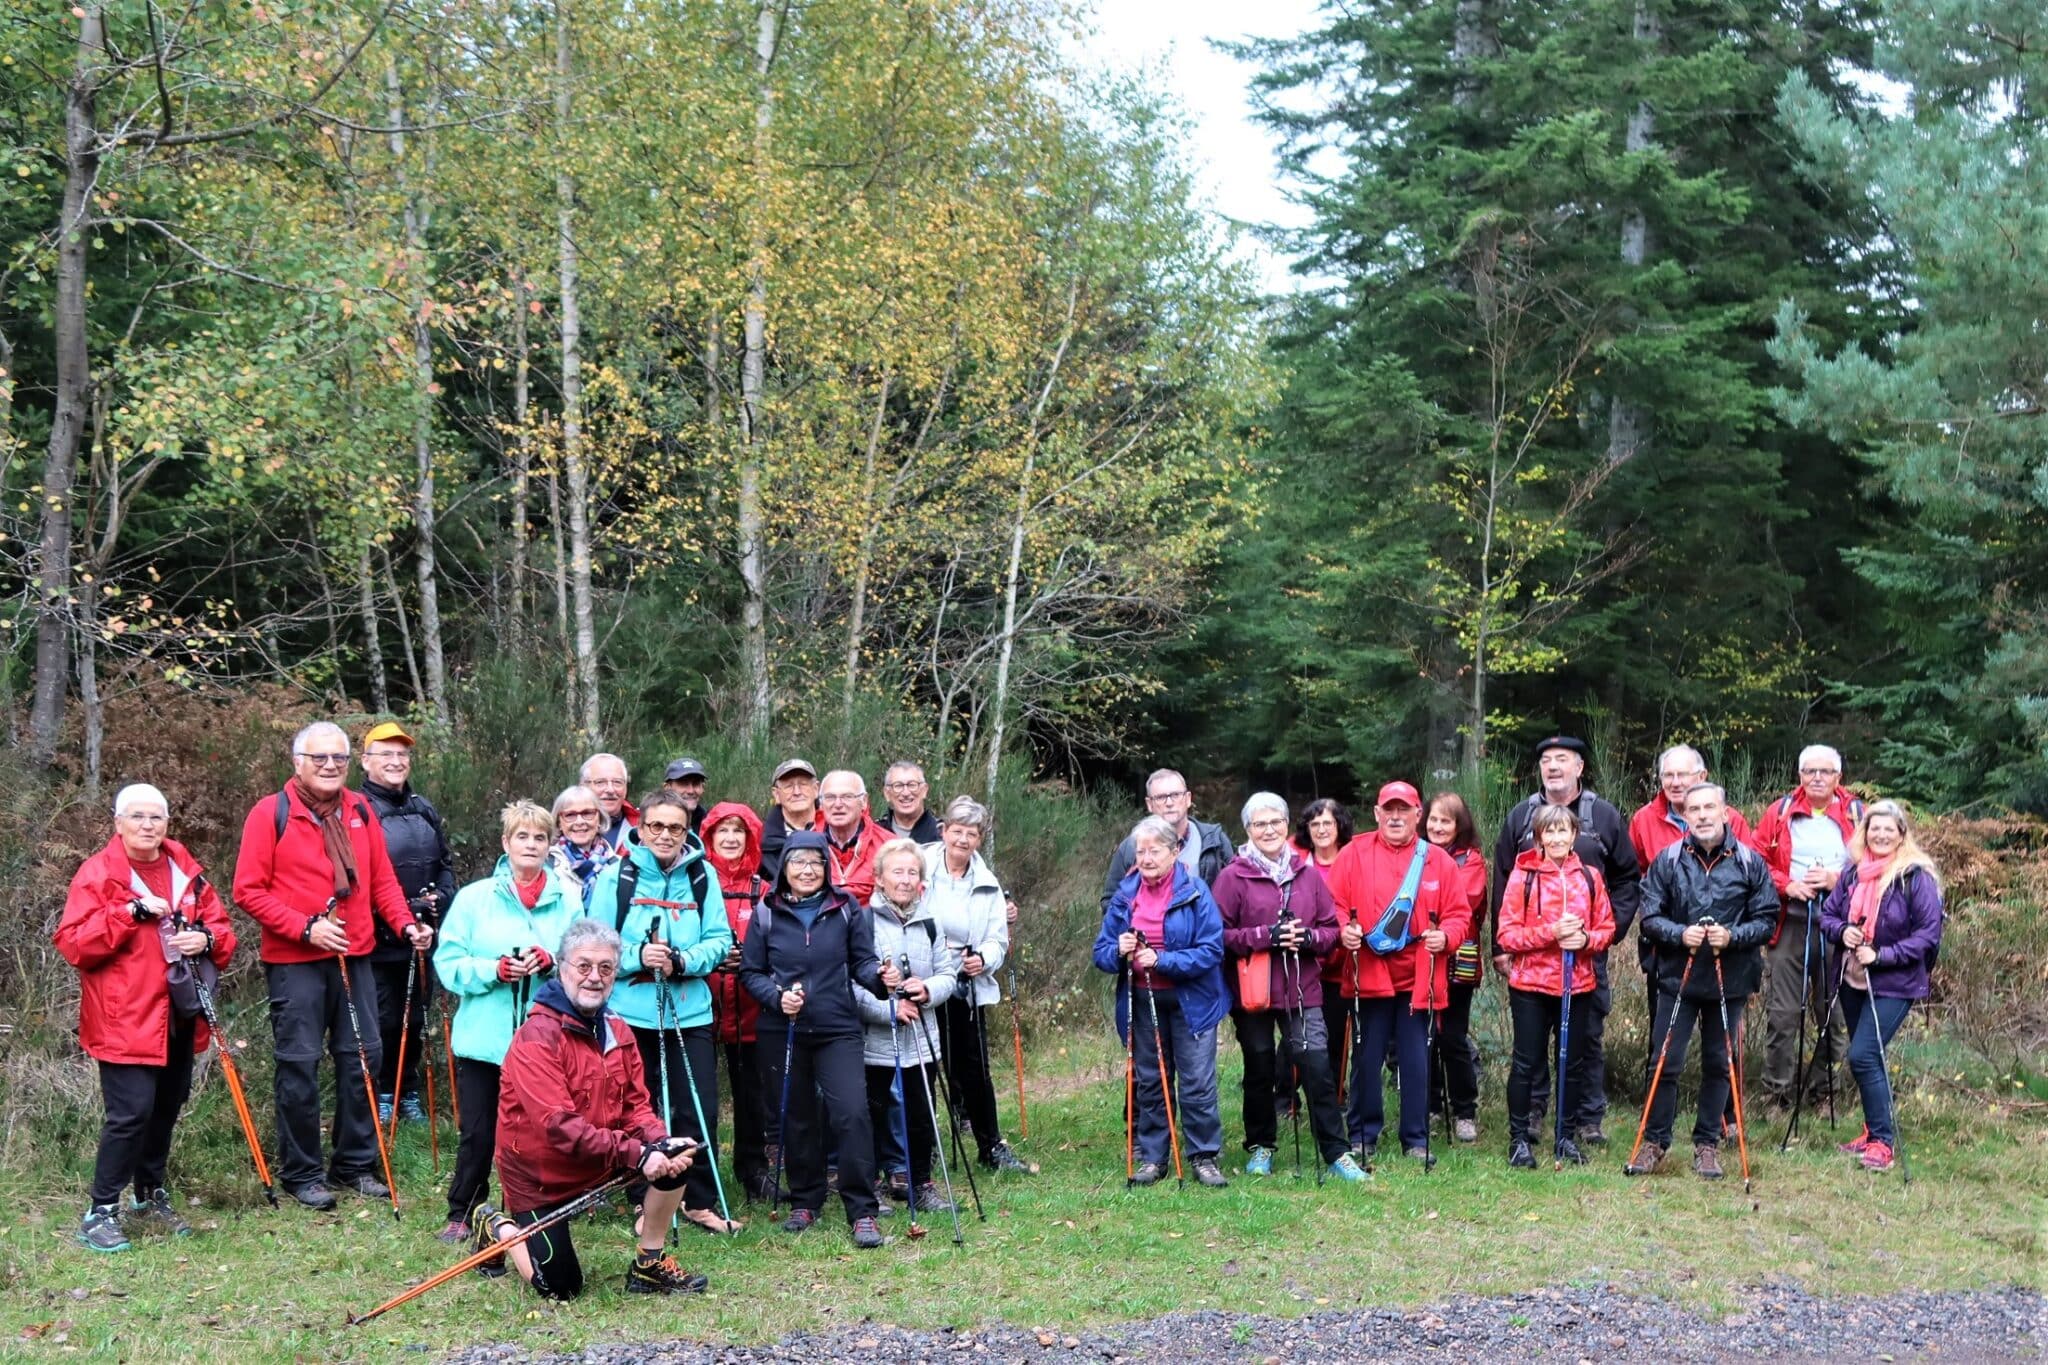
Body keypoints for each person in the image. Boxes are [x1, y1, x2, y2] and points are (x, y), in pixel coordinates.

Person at [232, 721, 430, 1210]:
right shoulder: (270, 813)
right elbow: (247, 891)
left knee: (363, 1057)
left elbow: (381, 880)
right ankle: (302, 1173)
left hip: (355, 954)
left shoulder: (360, 809)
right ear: (297, 761)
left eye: (338, 759)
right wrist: (304, 927)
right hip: (296, 960)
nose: (329, 766)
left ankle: (354, 1165)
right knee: (298, 1064)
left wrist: (406, 926)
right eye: (319, 758)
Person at [471, 918, 707, 1299]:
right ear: (562, 968)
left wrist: (659, 1142)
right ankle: (498, 1226)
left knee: (674, 1157)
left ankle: (649, 1265)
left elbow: (636, 1107)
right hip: (540, 1177)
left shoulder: (618, 1028)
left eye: (605, 968)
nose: (594, 977)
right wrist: (637, 1153)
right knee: (560, 1289)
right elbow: (558, 1127)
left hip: (599, 1159)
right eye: (583, 966)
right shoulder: (536, 1038)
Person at [56, 783, 237, 1252]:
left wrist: (207, 940)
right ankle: (101, 1210)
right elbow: (74, 944)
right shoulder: (98, 874)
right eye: (136, 817)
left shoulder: (187, 872)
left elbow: (222, 930)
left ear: (166, 824)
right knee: (130, 1114)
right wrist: (128, 913)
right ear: (117, 824)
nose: (146, 825)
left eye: (155, 817)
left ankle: (149, 1194)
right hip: (125, 1016)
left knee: (166, 1108)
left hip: (181, 1014)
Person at [430, 801, 578, 1242]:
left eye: (539, 838)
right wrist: (493, 970)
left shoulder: (568, 899)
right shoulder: (475, 897)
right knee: (478, 1131)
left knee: (542, 1129)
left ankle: (537, 1209)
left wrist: (552, 962)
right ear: (505, 843)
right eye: (522, 837)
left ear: (551, 845)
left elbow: (580, 962)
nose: (530, 845)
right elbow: (449, 962)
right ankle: (465, 1210)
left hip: (544, 1039)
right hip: (484, 1038)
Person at [738, 830, 891, 1247]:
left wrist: (882, 980)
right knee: (795, 1115)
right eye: (798, 862)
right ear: (783, 868)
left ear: (827, 867)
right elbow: (750, 972)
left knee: (851, 1113)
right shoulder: (766, 912)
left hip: (837, 1026)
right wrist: (777, 998)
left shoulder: (845, 910)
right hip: (781, 1028)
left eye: (815, 863)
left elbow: (862, 963)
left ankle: (861, 1210)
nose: (807, 870)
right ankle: (805, 1200)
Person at [594, 790, 736, 1235]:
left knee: (698, 1109)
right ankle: (645, 1201)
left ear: (687, 829)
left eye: (675, 827)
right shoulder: (617, 876)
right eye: (656, 826)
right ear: (641, 828)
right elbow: (597, 942)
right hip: (630, 1011)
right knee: (639, 1108)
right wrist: (640, 955)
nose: (665, 835)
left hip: (688, 1010)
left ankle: (699, 1199)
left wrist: (682, 961)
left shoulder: (703, 876)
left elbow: (719, 938)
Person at [1489, 735, 1640, 1148]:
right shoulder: (1521, 819)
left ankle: (1582, 1124)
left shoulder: (1603, 817)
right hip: (1532, 972)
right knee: (1529, 1054)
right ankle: (1530, 1122)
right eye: (1546, 760)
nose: (1553, 766)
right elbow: (1502, 886)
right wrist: (1505, 947)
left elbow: (1626, 882)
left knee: (1583, 1046)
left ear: (1579, 767)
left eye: (1562, 759)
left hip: (1584, 967)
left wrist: (1596, 939)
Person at [1625, 784, 1777, 1179]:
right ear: (1686, 816)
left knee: (1719, 1063)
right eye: (1695, 809)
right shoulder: (1669, 859)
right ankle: (1655, 1142)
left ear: (1726, 812)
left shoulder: (1749, 862)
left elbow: (1767, 919)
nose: (1703, 815)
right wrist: (1679, 934)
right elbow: (1650, 916)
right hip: (1678, 977)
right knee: (1665, 1061)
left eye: (1710, 807)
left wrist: (1733, 936)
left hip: (1731, 979)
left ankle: (1707, 1145)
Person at [1213, 793, 1363, 1182]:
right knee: (1260, 1065)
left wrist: (1306, 938)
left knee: (1316, 1065)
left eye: (1275, 822)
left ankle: (1336, 1152)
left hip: (1302, 987)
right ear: (1247, 830)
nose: (1269, 830)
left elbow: (1331, 931)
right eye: (1259, 824)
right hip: (1254, 991)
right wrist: (1265, 935)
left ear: (1285, 825)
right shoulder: (1234, 876)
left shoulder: (1308, 874)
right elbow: (1219, 936)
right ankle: (1261, 1145)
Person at [1325, 782, 1467, 1163]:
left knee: (1416, 1059)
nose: (1396, 816)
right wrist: (1344, 931)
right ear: (1376, 813)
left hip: (1419, 975)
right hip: (1369, 972)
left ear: (1418, 815)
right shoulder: (1353, 853)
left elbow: (1459, 915)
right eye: (1389, 809)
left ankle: (1416, 1140)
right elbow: (1333, 905)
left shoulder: (1438, 860)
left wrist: (1446, 937)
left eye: (1404, 809)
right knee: (1367, 1058)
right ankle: (1362, 1135)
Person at [1093, 815, 1230, 1188]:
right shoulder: (1125, 894)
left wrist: (1164, 960)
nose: (1148, 858)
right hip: (1142, 999)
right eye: (1142, 851)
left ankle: (1204, 1156)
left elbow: (1212, 950)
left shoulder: (1196, 891)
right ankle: (1154, 1158)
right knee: (1151, 1080)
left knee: (1196, 1081)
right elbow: (1101, 953)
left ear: (1175, 852)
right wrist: (1118, 951)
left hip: (1192, 1001)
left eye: (1155, 850)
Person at [1818, 801, 1944, 1174]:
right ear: (1865, 832)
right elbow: (1828, 915)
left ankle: (1882, 1143)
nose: (1881, 835)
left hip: (1895, 982)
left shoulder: (1915, 877)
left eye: (1890, 829)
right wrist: (1844, 930)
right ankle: (1873, 1130)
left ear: (1902, 834)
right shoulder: (1854, 872)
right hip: (1853, 978)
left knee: (1862, 1056)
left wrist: (1883, 954)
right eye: (1875, 829)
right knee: (1866, 1058)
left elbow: (1928, 935)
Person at [1496, 803, 1616, 1168]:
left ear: (1574, 835)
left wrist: (1584, 941)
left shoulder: (1590, 877)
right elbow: (1507, 934)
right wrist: (1551, 934)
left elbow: (1606, 929)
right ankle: (1519, 1140)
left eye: (1564, 831)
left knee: (1572, 1063)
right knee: (1526, 1063)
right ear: (1539, 837)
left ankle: (1565, 1137)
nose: (1558, 838)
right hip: (1532, 985)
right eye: (1550, 831)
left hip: (1577, 985)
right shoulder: (1524, 876)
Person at [920, 796, 1033, 1175]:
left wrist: (982, 959)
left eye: (972, 833)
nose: (963, 840)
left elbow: (997, 940)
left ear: (980, 839)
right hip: (921, 979)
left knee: (973, 1069)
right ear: (944, 831)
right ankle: (921, 1149)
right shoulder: (919, 864)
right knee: (917, 1067)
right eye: (957, 831)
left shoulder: (987, 882)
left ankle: (991, 1147)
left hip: (966, 986)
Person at [1751, 744, 1863, 1114]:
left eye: (1825, 772)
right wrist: (1787, 885)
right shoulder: (1780, 813)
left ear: (1838, 777)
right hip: (1792, 920)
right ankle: (1775, 1096)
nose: (1817, 778)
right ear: (1799, 776)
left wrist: (1836, 879)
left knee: (1833, 1014)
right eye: (1810, 771)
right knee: (1783, 1014)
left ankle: (1823, 1092)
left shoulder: (1856, 814)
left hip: (1838, 924)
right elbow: (1755, 861)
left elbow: (1877, 864)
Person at [357, 721, 458, 1128]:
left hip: (424, 937)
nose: (397, 762)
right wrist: (399, 910)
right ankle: (381, 1093)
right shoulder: (357, 809)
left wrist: (442, 900)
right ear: (365, 762)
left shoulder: (423, 807)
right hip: (379, 940)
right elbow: (358, 877)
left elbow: (447, 865)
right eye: (387, 754)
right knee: (382, 1019)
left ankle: (408, 1093)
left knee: (416, 1019)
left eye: (402, 755)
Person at [856, 838, 961, 1215]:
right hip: (874, 1041)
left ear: (921, 881)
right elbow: (850, 983)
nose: (904, 879)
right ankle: (874, 1187)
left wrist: (927, 988)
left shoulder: (931, 924)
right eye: (896, 872)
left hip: (921, 1037)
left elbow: (950, 973)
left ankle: (921, 1184)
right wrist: (888, 1008)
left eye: (912, 872)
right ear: (879, 878)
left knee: (921, 1113)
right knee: (873, 1114)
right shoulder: (862, 921)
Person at [702, 800, 774, 1202]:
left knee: (752, 1099)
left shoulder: (762, 890)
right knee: (702, 1100)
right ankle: (702, 1175)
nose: (730, 838)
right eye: (722, 831)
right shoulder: (696, 883)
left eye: (738, 831)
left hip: (750, 1010)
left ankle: (754, 1171)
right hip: (703, 1008)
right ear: (709, 836)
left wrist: (750, 958)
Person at [1424, 791, 1488, 1144]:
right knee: (1423, 1036)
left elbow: (1461, 902)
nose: (1437, 826)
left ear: (1459, 825)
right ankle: (1431, 1104)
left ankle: (1465, 1110)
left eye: (1445, 821)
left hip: (1458, 958)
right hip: (1419, 956)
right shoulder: (1415, 855)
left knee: (1452, 1037)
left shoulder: (1472, 861)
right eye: (1433, 819)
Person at [1099, 769, 1231, 912]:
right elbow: (1110, 901)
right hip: (1148, 932)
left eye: (1175, 795)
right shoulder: (1131, 847)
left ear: (1188, 799)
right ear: (1149, 804)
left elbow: (1235, 894)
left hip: (1205, 932)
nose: (1169, 803)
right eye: (1161, 797)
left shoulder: (1215, 841)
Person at [1295, 798, 1356, 1092]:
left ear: (1339, 825)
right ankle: (1287, 1094)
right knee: (1296, 1035)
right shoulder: (1296, 861)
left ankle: (1333, 1092)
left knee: (1333, 1034)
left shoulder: (1353, 858)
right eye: (1314, 824)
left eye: (1327, 823)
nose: (1321, 829)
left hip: (1341, 966)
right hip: (1304, 964)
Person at [817, 769, 892, 905]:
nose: (838, 804)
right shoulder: (805, 845)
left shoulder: (890, 846)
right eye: (830, 797)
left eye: (847, 796)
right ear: (821, 804)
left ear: (863, 801)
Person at [546, 784, 617, 905]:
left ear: (599, 819)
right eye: (570, 815)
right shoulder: (546, 865)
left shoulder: (618, 866)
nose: (579, 821)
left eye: (587, 813)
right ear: (559, 823)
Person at [758, 758, 819, 884]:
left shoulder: (836, 834)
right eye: (788, 786)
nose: (797, 792)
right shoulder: (760, 843)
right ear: (776, 795)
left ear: (816, 789)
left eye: (803, 784)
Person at [581, 753, 638, 851]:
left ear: (625, 788)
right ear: (583, 786)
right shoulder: (565, 827)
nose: (610, 790)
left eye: (617, 782)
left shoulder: (642, 828)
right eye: (600, 782)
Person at [879, 761, 942, 843]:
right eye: (898, 786)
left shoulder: (942, 833)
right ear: (887, 793)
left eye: (912, 785)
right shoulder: (875, 833)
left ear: (924, 790)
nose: (906, 793)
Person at [662, 757, 710, 835]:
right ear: (667, 787)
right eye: (683, 783)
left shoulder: (710, 823)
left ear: (703, 788)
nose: (690, 791)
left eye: (696, 783)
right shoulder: (652, 822)